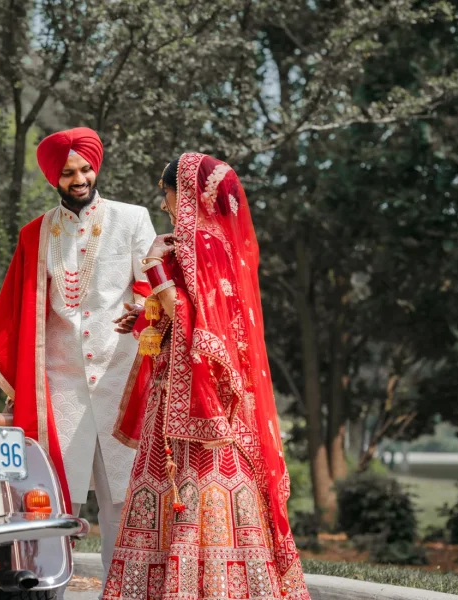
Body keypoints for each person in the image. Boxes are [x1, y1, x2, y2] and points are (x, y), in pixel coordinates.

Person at [101, 153, 310, 600]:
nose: (164, 205)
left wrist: (153, 264)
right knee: (210, 487)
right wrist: (145, 316)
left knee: (197, 486)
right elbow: (193, 316)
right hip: (198, 395)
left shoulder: (199, 244)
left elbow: (190, 317)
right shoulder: (218, 244)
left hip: (197, 402)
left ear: (187, 194)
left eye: (166, 193)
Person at [0, 127, 168, 575]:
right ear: (54, 178)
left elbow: (154, 287)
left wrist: (142, 310)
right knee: (51, 500)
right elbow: (18, 311)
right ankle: (49, 585)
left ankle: (122, 589)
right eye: (68, 173)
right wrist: (22, 383)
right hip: (60, 386)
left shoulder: (132, 219)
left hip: (121, 380)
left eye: (85, 169)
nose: (79, 179)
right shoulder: (35, 234)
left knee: (123, 500)